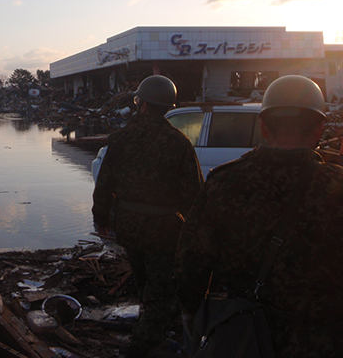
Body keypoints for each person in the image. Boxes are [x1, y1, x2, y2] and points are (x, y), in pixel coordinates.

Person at [175, 75, 343, 356]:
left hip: (245, 335)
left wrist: (190, 312)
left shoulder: (223, 183)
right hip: (322, 337)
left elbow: (192, 261)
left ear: (263, 127)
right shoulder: (336, 188)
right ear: (319, 128)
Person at [92, 75, 204, 357]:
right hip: (163, 229)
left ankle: (148, 328)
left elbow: (104, 184)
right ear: (167, 107)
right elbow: (194, 196)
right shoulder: (179, 144)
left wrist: (101, 219)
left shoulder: (120, 139)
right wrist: (198, 232)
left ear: (140, 103)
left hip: (127, 225)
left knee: (144, 279)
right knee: (161, 289)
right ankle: (141, 345)